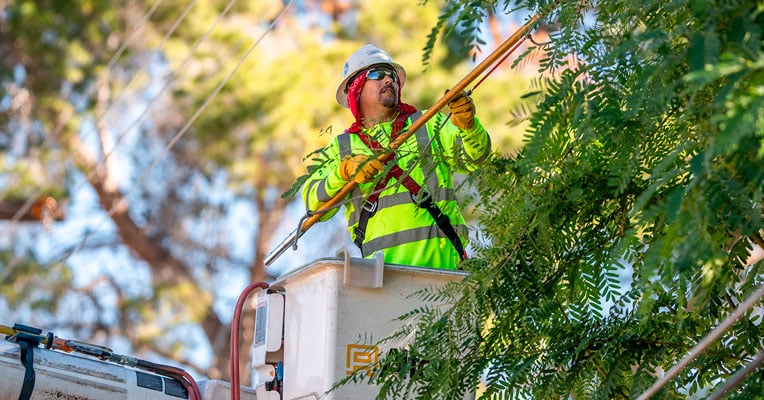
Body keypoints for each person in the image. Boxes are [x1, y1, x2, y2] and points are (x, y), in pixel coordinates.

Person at [302, 44, 491, 270]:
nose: (388, 80)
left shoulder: (427, 124)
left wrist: (469, 127)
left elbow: (474, 158)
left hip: (445, 274)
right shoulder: (342, 147)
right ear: (356, 88)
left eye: (391, 75)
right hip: (383, 281)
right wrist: (343, 173)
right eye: (377, 74)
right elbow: (314, 206)